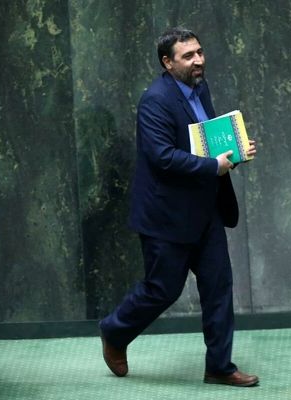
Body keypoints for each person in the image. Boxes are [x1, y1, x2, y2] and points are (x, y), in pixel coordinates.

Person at [99, 27, 259, 387]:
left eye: (199, 52)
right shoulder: (154, 101)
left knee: (218, 287)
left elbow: (205, 142)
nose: (198, 60)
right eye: (188, 56)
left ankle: (219, 366)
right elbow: (162, 157)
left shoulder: (200, 88)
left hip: (206, 209)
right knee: (163, 289)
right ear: (167, 63)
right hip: (166, 215)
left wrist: (236, 151)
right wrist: (214, 166)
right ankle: (114, 330)